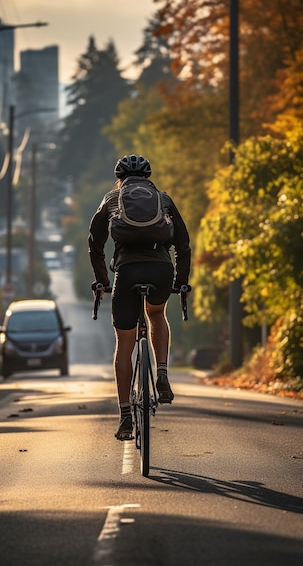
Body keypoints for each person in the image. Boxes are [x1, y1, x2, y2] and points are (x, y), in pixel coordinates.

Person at [88, 154, 191, 440]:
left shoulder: (111, 199)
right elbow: (183, 245)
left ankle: (124, 416)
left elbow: (95, 243)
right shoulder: (164, 199)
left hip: (127, 274)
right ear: (148, 178)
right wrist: (181, 282)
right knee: (156, 314)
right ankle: (162, 374)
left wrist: (102, 280)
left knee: (125, 342)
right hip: (161, 271)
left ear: (120, 179)